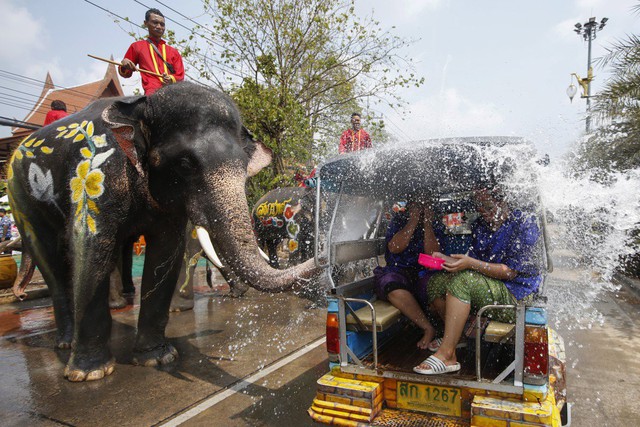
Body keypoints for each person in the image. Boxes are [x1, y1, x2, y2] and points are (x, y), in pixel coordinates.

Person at [414, 187, 542, 375]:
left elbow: (509, 272)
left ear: (504, 202)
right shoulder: (482, 226)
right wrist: (445, 259)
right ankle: (456, 337)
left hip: (516, 295)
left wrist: (470, 264)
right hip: (489, 284)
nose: (483, 211)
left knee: (463, 281)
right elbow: (473, 261)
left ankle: (447, 355)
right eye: (479, 206)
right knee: (436, 283)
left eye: (487, 206)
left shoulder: (524, 224)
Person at [374, 197, 442, 349]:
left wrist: (427, 224)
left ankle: (444, 331)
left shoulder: (434, 223)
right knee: (391, 285)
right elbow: (394, 247)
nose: (422, 207)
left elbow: (433, 254)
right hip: (398, 271)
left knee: (437, 286)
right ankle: (428, 328)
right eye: (417, 204)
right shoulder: (399, 220)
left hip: (423, 272)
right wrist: (413, 220)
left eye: (425, 204)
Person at [118, 8, 185, 95]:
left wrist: (171, 79)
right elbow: (126, 74)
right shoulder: (137, 47)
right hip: (151, 95)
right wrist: (124, 65)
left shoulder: (173, 52)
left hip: (172, 94)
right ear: (146, 23)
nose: (159, 27)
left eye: (162, 24)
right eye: (155, 23)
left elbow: (180, 75)